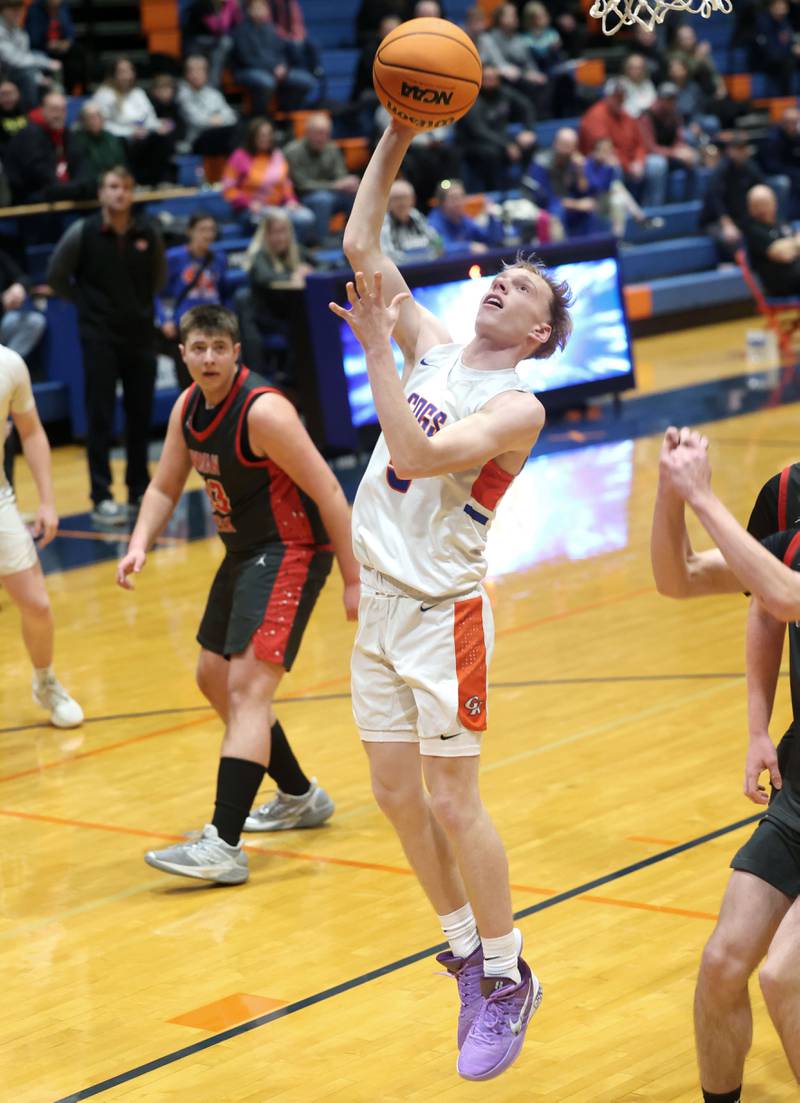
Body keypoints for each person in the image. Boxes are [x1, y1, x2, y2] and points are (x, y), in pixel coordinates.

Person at [338, 118, 573, 1081]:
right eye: (502, 275)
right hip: (383, 606)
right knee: (395, 796)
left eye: (524, 287)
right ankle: (467, 956)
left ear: (539, 333)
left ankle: (511, 971)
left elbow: (416, 453)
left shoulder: (519, 405)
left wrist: (375, 356)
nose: (504, 282)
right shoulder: (434, 344)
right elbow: (361, 246)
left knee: (450, 797)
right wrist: (396, 136)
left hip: (444, 615)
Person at [118, 303, 360, 882]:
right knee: (213, 679)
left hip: (293, 551)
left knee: (249, 689)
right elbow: (164, 485)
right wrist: (139, 542)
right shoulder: (187, 408)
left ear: (235, 354)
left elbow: (329, 490)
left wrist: (354, 579)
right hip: (245, 553)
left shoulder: (265, 412)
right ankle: (300, 796)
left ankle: (223, 844)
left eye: (218, 349)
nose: (207, 359)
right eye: (197, 348)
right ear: (182, 354)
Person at [652, 426, 800, 1101]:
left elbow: (789, 593)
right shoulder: (790, 493)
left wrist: (704, 496)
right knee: (722, 963)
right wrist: (670, 488)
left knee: (785, 973)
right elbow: (679, 578)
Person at [46, 166, 166, 524]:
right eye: (113, 187)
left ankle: (138, 490)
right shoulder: (82, 233)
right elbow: (56, 277)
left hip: (140, 333)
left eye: (126, 188)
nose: (120, 194)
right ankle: (100, 497)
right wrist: (87, 305)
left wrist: (138, 308)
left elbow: (158, 279)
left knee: (139, 416)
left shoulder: (148, 232)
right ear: (101, 193)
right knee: (99, 416)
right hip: (99, 335)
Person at [1, 346, 82, 728]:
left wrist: (48, 501)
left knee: (37, 606)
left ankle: (45, 680)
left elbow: (31, 431)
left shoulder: (9, 364)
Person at [236, 209, 312, 384]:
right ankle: (291, 381)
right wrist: (293, 276)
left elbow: (323, 266)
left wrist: (309, 271)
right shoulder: (259, 257)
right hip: (267, 318)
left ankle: (302, 381)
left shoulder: (296, 251)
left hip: (288, 315)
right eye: (275, 232)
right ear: (266, 235)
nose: (280, 237)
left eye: (283, 231)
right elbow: (267, 278)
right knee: (301, 326)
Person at [156, 212, 228, 389]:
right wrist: (164, 320)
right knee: (189, 386)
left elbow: (224, 293)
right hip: (186, 327)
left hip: (214, 326)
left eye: (211, 230)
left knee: (218, 385)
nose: (208, 234)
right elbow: (153, 290)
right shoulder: (174, 257)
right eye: (202, 229)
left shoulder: (219, 258)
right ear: (190, 232)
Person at [221, 116, 316, 243]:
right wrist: (249, 203)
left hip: (278, 207)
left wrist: (291, 201)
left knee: (306, 217)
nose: (265, 138)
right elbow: (228, 189)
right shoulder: (239, 157)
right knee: (277, 220)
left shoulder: (277, 156)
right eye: (261, 135)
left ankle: (293, 252)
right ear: (252, 136)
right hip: (250, 210)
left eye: (268, 135)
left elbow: (286, 184)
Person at [579, 77, 668, 208]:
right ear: (607, 96)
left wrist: (639, 161)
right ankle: (621, 214)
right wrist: (629, 166)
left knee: (657, 164)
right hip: (601, 165)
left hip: (631, 163)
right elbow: (604, 151)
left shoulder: (626, 115)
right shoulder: (596, 115)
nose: (619, 99)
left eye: (622, 96)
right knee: (613, 166)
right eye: (616, 96)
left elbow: (640, 144)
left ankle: (653, 210)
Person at [90, 57, 176, 187]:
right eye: (122, 72)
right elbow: (103, 125)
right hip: (119, 139)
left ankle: (160, 181)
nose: (127, 75)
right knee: (129, 143)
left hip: (142, 135)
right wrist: (130, 132)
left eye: (129, 71)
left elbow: (150, 118)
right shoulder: (104, 95)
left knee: (161, 137)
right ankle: (135, 182)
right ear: (114, 75)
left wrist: (159, 125)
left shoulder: (138, 93)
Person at [455, 64, 536, 193]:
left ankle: (524, 183)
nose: (491, 81)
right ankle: (494, 192)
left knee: (529, 144)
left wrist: (528, 130)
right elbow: (479, 130)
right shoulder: (472, 99)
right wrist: (506, 145)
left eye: (493, 77)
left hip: (499, 139)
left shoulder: (504, 92)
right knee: (492, 154)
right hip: (474, 143)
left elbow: (526, 106)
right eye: (487, 78)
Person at [231, 0, 317, 115]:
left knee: (306, 80)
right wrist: (272, 68)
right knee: (267, 82)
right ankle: (260, 116)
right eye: (256, 8)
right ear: (248, 10)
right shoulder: (241, 30)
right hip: (248, 70)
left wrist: (283, 67)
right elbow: (246, 59)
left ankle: (286, 111)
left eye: (262, 8)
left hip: (274, 70)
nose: (260, 11)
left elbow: (282, 53)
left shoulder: (272, 29)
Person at [284, 113, 359, 244]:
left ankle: (352, 238)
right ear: (307, 132)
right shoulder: (292, 151)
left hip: (330, 194)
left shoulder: (332, 148)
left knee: (356, 194)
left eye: (326, 133)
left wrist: (348, 182)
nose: (322, 138)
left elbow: (340, 174)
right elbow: (302, 185)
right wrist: (335, 186)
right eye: (318, 133)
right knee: (322, 199)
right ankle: (321, 242)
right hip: (302, 198)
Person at [4, 91, 90, 204]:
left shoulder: (68, 135)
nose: (58, 115)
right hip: (31, 199)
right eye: (54, 109)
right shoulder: (30, 134)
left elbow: (80, 163)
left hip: (61, 194)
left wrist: (81, 185)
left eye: (62, 110)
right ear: (42, 110)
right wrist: (72, 188)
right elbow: (38, 174)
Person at [700, 133, 766, 259]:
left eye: (743, 148)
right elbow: (715, 199)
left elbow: (763, 187)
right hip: (715, 220)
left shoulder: (750, 167)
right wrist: (727, 224)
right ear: (731, 151)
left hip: (741, 217)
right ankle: (726, 263)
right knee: (731, 237)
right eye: (738, 149)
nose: (741, 152)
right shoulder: (721, 170)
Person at [0, 0, 60, 109]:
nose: (18, 13)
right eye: (13, 10)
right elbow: (15, 60)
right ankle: (30, 113)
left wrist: (40, 78)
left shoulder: (20, 32)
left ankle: (53, 107)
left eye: (19, 10)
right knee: (28, 74)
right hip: (4, 76)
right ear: (3, 11)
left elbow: (26, 58)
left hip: (15, 73)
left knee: (41, 63)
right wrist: (46, 63)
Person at [742, 183, 800, 295]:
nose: (762, 208)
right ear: (750, 208)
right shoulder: (752, 229)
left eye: (765, 203)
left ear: (774, 202)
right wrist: (795, 244)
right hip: (781, 282)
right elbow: (783, 255)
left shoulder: (781, 222)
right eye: (757, 205)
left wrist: (787, 245)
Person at [176, 53, 238, 157]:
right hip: (194, 141)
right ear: (186, 74)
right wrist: (216, 119)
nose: (196, 74)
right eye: (192, 70)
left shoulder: (213, 94)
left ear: (206, 73)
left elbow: (232, 116)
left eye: (200, 70)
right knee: (225, 134)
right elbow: (197, 121)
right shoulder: (182, 94)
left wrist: (216, 120)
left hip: (217, 135)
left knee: (236, 129)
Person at [427, 179, 503, 253]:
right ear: (442, 203)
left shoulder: (464, 219)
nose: (459, 202)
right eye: (454, 198)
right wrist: (468, 247)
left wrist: (492, 217)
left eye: (461, 197)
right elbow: (440, 248)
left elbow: (491, 240)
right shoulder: (434, 223)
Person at [67, 101, 129, 189]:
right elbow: (84, 171)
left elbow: (121, 163)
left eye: (97, 116)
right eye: (90, 117)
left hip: (115, 181)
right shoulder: (77, 140)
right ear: (83, 121)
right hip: (92, 186)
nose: (94, 120)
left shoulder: (111, 138)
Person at [379, 179, 440, 263]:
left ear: (413, 200)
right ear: (388, 202)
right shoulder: (383, 224)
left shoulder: (417, 216)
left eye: (405, 198)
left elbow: (436, 244)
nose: (402, 203)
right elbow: (387, 255)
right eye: (397, 199)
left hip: (426, 266)